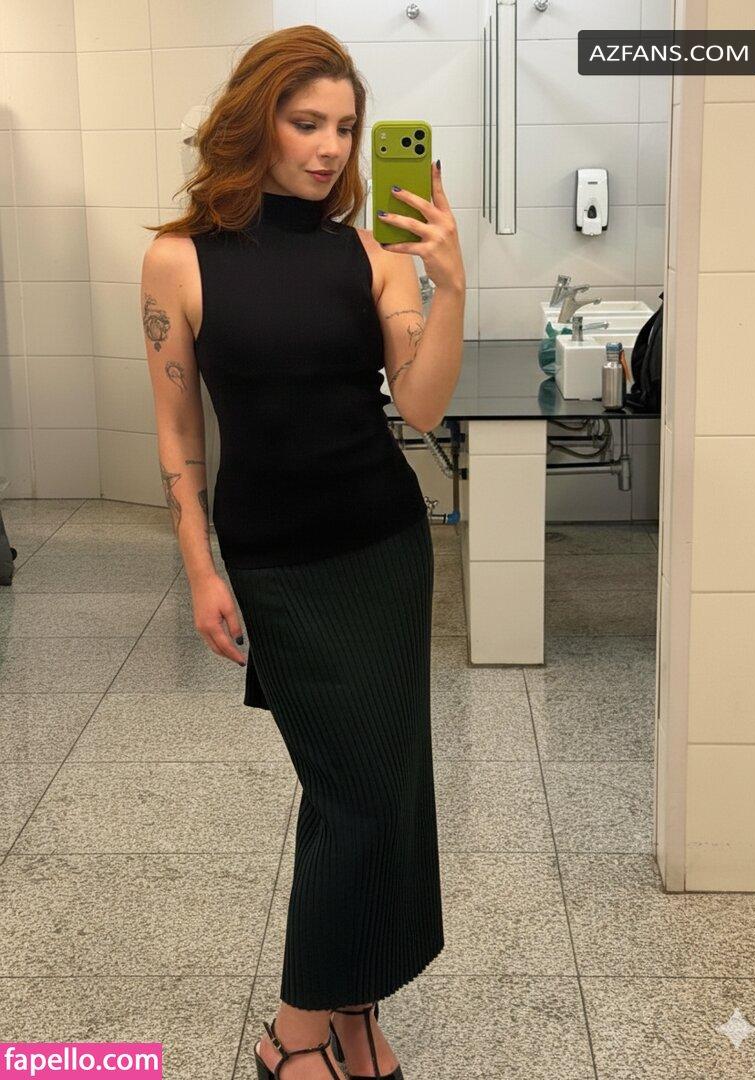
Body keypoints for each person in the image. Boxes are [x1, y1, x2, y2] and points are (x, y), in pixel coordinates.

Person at [140, 24, 465, 1080]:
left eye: (346, 128)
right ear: (257, 120)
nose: (329, 148)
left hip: (382, 546)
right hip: (276, 564)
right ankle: (292, 1031)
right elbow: (178, 432)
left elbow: (422, 405)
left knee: (382, 787)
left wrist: (449, 285)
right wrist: (200, 568)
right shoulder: (177, 258)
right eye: (306, 122)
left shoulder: (369, 254)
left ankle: (349, 1014)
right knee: (353, 792)